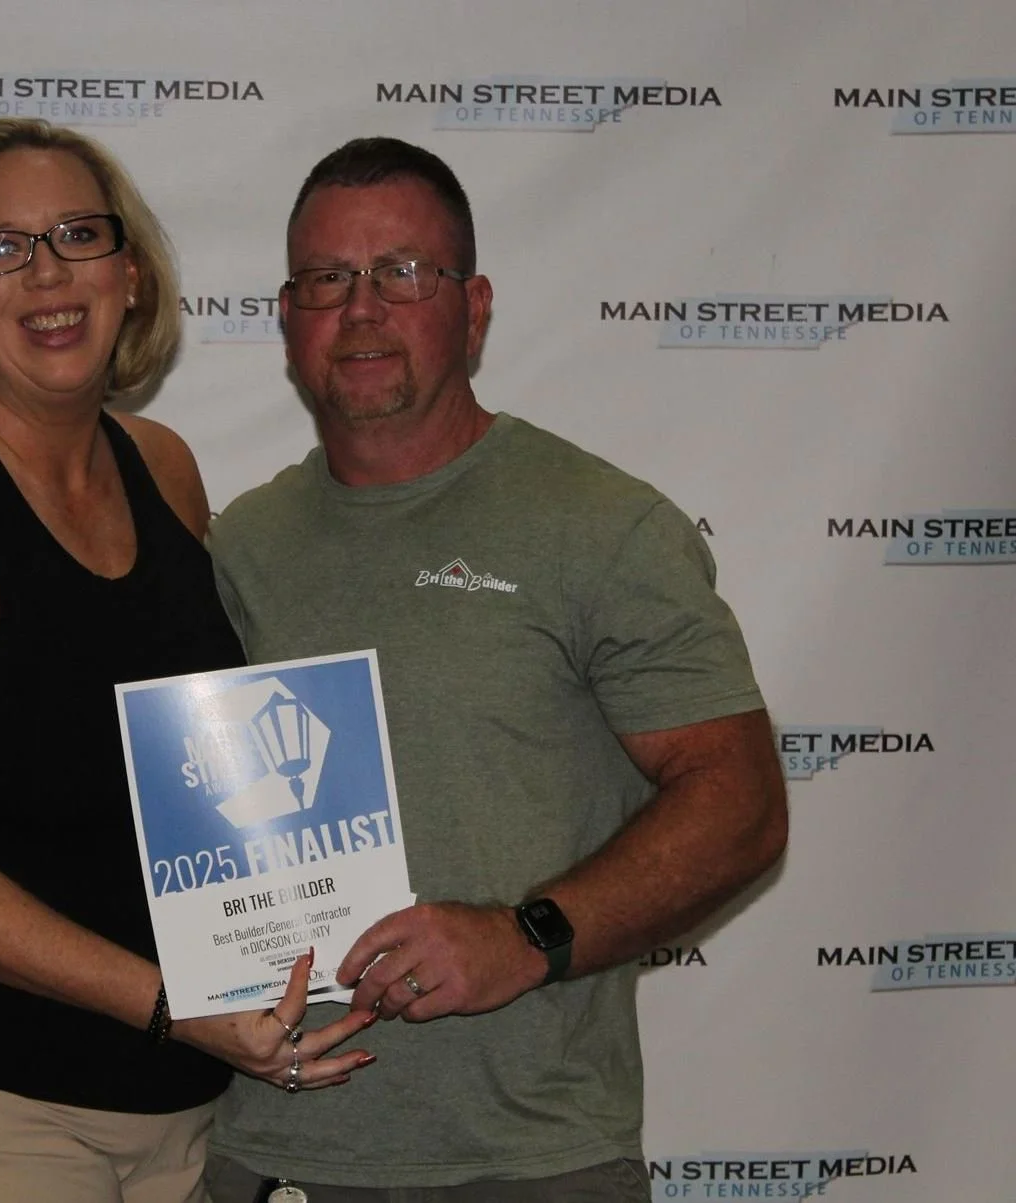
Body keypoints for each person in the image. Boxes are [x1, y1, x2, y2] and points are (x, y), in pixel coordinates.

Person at [0, 119, 374, 1203]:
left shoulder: (163, 466)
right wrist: (170, 1000)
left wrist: (303, 942)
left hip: (178, 1087)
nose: (46, 271)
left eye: (77, 234)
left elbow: (215, 773)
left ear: (131, 275)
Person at [202, 138, 789, 1202]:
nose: (363, 308)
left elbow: (740, 803)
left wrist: (529, 938)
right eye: (328, 279)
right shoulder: (238, 547)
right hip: (272, 1149)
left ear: (472, 309)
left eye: (403, 273)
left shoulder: (599, 527)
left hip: (526, 1160)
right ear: (287, 322)